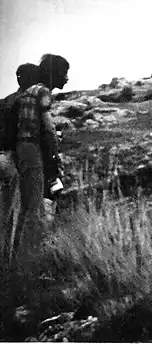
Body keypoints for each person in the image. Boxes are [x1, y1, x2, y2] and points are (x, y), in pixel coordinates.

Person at [11, 54, 68, 266]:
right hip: (31, 147)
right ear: (54, 74)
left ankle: (18, 254)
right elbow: (47, 127)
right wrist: (55, 154)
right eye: (64, 73)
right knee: (35, 205)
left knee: (27, 204)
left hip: (22, 148)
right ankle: (30, 259)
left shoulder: (28, 91)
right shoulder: (42, 92)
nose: (67, 79)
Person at [0, 63, 43, 266]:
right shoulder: (25, 101)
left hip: (2, 156)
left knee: (6, 210)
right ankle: (9, 261)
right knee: (15, 210)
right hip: (11, 157)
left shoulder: (7, 100)